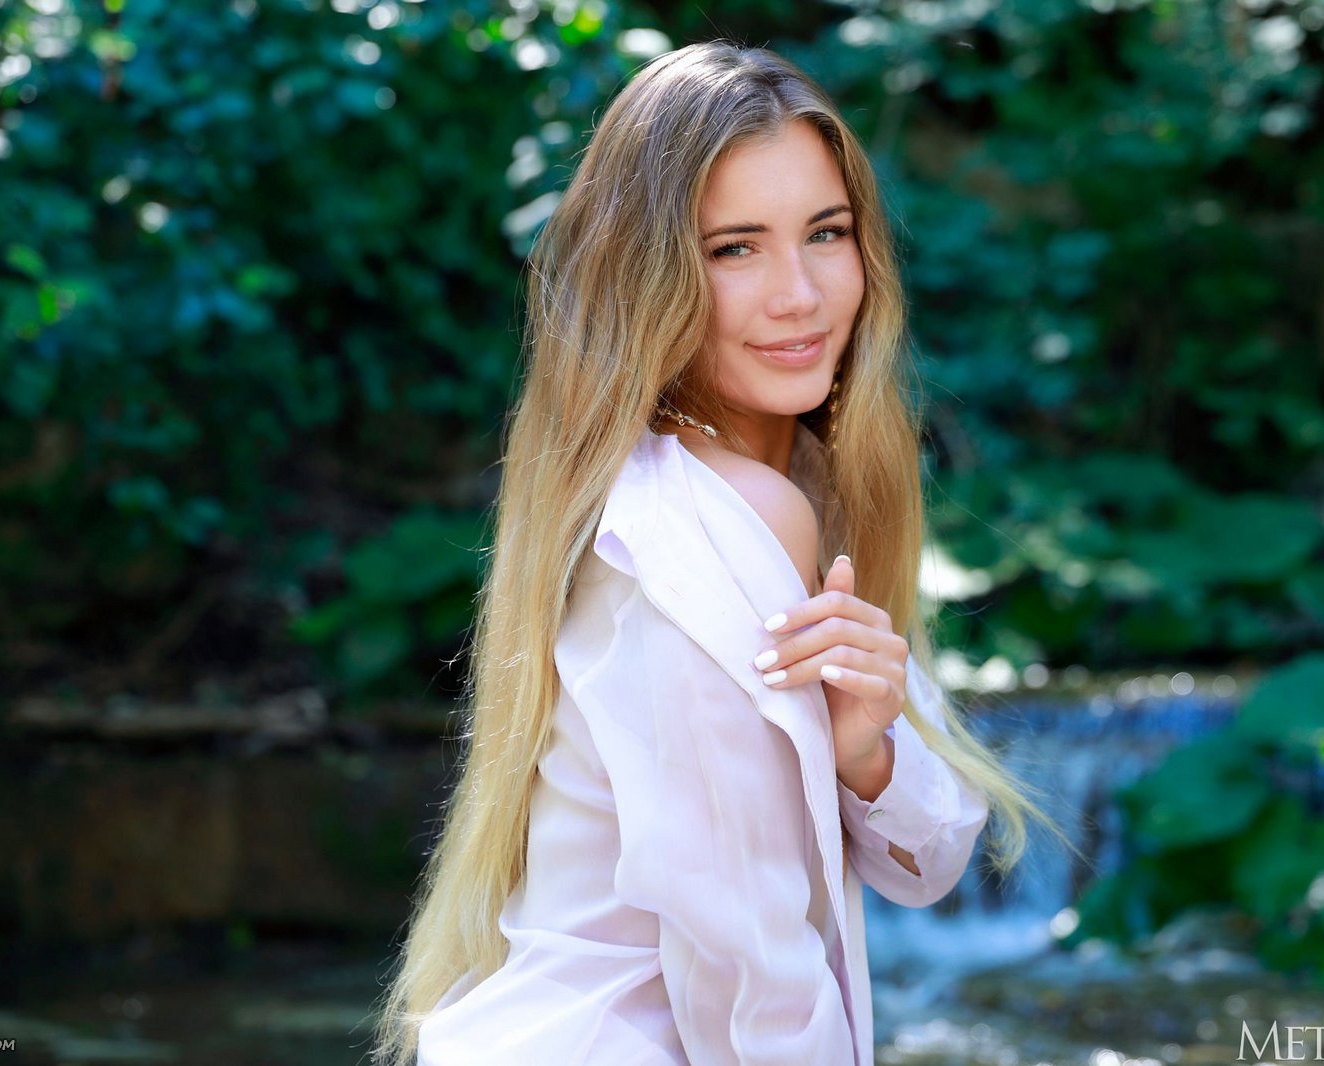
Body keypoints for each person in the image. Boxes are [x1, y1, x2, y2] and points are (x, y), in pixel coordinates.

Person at [370, 39, 1061, 1066]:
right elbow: (749, 971)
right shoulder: (706, 519)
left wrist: (864, 751)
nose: (800, 294)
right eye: (735, 248)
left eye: (825, 233)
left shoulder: (775, 486)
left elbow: (929, 857)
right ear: (645, 278)